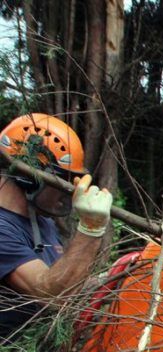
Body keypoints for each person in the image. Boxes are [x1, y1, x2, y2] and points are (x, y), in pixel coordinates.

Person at [0, 113, 113, 339]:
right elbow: (51, 295)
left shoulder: (41, 223)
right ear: (30, 177)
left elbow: (63, 278)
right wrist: (90, 228)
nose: (64, 193)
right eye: (61, 181)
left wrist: (114, 280)